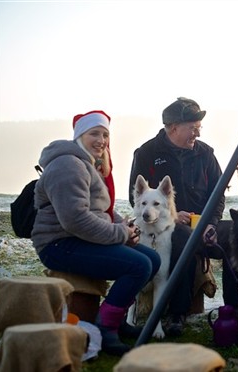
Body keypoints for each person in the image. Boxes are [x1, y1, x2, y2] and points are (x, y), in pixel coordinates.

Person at [31, 110, 161, 356]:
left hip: (77, 238)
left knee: (152, 259)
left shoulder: (87, 165)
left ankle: (117, 318)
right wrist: (120, 233)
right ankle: (106, 328)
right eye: (94, 133)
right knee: (139, 265)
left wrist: (125, 226)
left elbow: (100, 210)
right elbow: (75, 220)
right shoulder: (68, 165)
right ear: (80, 135)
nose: (101, 140)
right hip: (58, 244)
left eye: (105, 134)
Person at [129, 97, 227, 336]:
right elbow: (139, 199)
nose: (197, 134)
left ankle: (236, 309)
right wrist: (172, 216)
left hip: (205, 225)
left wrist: (210, 223)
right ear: (173, 128)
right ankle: (177, 314)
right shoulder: (147, 153)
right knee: (182, 239)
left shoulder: (206, 154)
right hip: (167, 228)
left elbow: (218, 194)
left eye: (199, 129)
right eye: (193, 129)